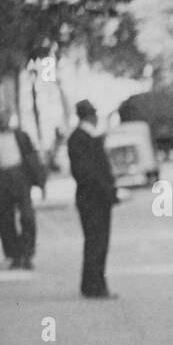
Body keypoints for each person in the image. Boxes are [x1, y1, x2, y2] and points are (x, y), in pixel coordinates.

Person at [66, 100, 118, 299]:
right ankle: (94, 286)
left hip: (95, 198)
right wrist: (107, 190)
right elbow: (87, 172)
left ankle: (93, 285)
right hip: (92, 198)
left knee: (97, 242)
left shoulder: (85, 138)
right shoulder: (82, 139)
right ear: (89, 116)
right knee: (97, 242)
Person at [0, 108, 45, 270]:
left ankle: (27, 253)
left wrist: (39, 179)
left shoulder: (20, 136)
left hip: (19, 177)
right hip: (2, 179)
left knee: (27, 217)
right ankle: (14, 254)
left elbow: (31, 156)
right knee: (5, 219)